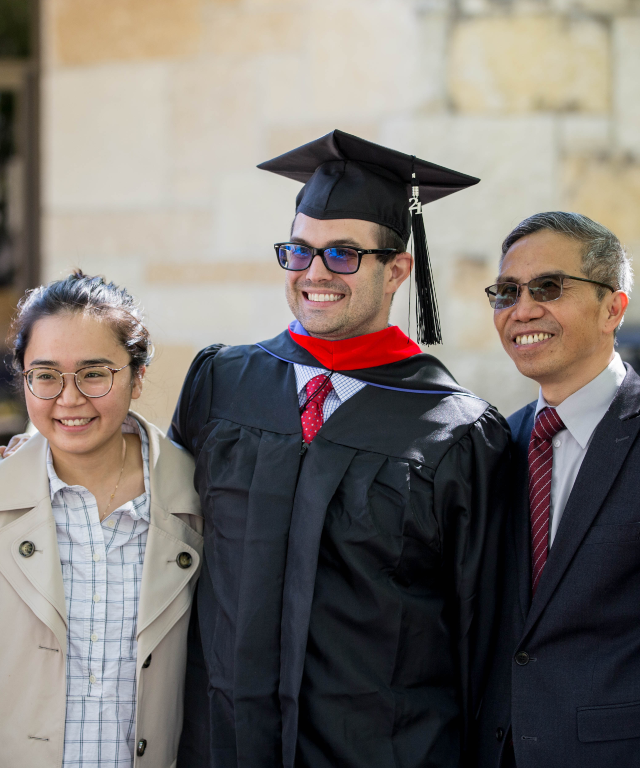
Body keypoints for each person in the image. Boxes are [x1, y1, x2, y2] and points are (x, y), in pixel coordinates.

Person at [172, 130, 510, 768]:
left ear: (398, 269)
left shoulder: (455, 430)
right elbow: (162, 536)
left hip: (385, 749)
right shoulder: (222, 382)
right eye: (299, 251)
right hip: (224, 744)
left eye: (345, 255)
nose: (315, 273)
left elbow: (483, 638)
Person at [0, 272, 204, 768]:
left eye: (94, 373)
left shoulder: (202, 503)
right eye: (45, 375)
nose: (68, 399)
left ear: (136, 378)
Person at [477, 212, 639, 768]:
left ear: (612, 308)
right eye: (506, 292)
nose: (522, 310)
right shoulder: (495, 443)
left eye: (548, 287)